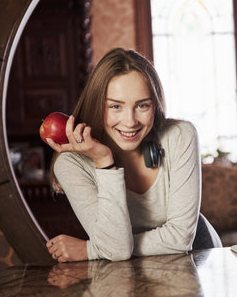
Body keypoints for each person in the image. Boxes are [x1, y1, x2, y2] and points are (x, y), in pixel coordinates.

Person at [45, 48, 222, 262]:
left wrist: (93, 249)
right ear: (97, 104)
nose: (130, 121)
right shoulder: (71, 164)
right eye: (115, 106)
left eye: (142, 105)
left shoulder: (180, 136)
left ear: (155, 105)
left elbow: (180, 238)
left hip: (197, 257)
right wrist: (104, 162)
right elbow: (116, 250)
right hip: (126, 271)